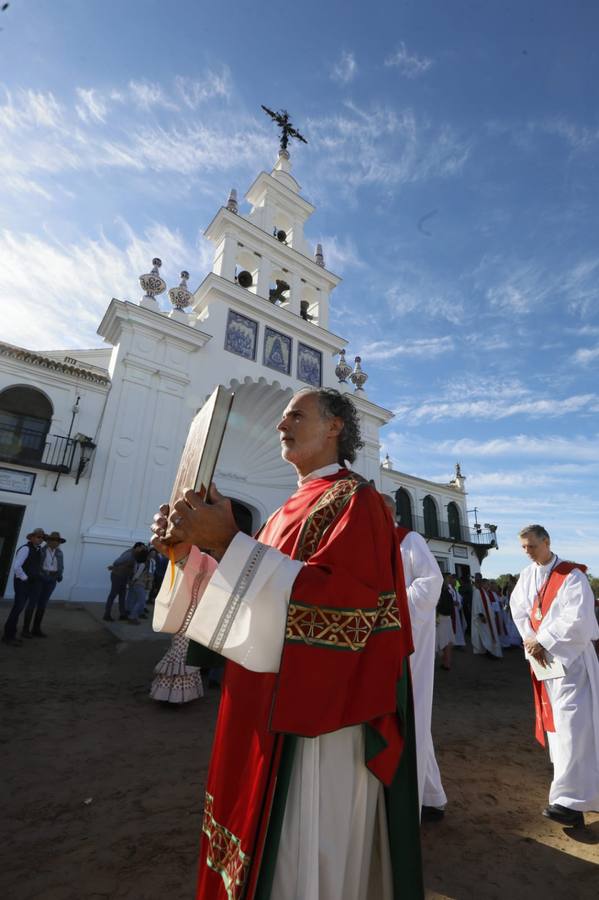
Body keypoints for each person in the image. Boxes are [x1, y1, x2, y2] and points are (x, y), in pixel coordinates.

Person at [152, 388, 423, 900]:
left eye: (295, 415)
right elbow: (250, 591)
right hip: (260, 697)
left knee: (301, 852)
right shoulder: (282, 512)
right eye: (281, 418)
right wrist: (189, 551)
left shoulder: (356, 500)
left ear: (335, 426)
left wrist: (229, 543)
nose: (281, 425)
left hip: (319, 713)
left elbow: (349, 609)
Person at [510, 524, 599, 828]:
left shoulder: (572, 576)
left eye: (532, 546)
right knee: (558, 730)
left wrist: (542, 639)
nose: (527, 552)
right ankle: (573, 796)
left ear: (547, 542)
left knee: (574, 727)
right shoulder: (526, 575)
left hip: (572, 663)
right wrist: (530, 639)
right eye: (523, 547)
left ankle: (569, 801)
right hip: (545, 664)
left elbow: (578, 619)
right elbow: (518, 609)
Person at [381, 493, 446, 823]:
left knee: (412, 711)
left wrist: (391, 605)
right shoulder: (369, 543)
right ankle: (430, 794)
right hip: (379, 641)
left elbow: (432, 582)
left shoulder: (409, 541)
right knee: (406, 716)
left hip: (409, 640)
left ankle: (416, 797)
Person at [2, 527, 45, 647]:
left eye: (42, 537)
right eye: (38, 537)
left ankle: (11, 634)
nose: (40, 539)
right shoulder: (26, 549)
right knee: (17, 608)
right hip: (22, 583)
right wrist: (25, 578)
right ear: (31, 537)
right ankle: (8, 636)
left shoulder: (37, 550)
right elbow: (16, 567)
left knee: (19, 608)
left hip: (29, 584)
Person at [22, 530, 66, 638]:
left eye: (58, 541)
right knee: (32, 602)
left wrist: (59, 575)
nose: (55, 542)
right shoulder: (41, 551)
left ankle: (36, 629)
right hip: (40, 578)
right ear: (48, 541)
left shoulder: (59, 553)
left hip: (52, 580)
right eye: (53, 540)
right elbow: (37, 565)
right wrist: (41, 575)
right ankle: (25, 630)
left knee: (43, 604)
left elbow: (61, 565)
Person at [103, 542, 146, 622]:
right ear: (137, 547)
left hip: (124, 576)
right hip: (118, 576)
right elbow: (117, 562)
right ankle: (107, 614)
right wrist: (117, 568)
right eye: (142, 548)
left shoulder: (134, 555)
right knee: (113, 595)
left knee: (122, 595)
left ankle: (122, 614)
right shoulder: (129, 554)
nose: (143, 550)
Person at [470, 573, 502, 659]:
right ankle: (490, 651)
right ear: (482, 584)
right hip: (483, 618)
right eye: (486, 584)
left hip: (489, 618)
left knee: (488, 634)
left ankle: (490, 650)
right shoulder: (477, 592)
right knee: (487, 634)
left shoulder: (484, 592)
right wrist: (481, 615)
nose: (488, 585)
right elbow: (477, 605)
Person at [435, 576, 455, 671]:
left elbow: (437, 607)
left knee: (442, 642)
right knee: (448, 641)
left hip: (440, 619)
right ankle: (447, 662)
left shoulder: (438, 594)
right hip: (448, 619)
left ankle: (445, 663)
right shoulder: (449, 594)